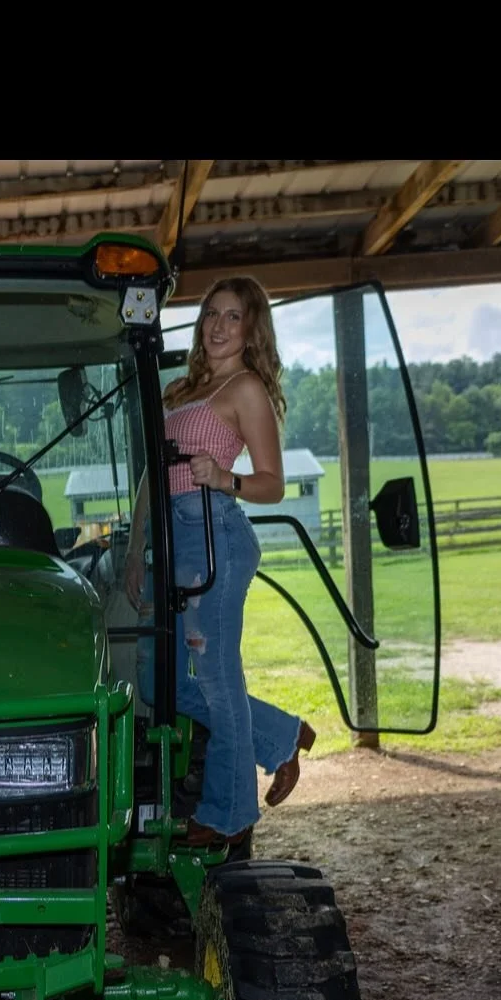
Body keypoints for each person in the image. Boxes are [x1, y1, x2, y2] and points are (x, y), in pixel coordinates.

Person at [125, 275, 315, 846]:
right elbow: (150, 475)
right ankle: (282, 736)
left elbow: (274, 484)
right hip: (169, 537)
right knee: (158, 681)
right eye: (212, 313)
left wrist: (223, 477)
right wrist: (136, 547)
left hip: (214, 534)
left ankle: (228, 814)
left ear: (251, 329)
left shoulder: (246, 389)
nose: (218, 326)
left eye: (233, 317)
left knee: (215, 679)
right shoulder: (180, 390)